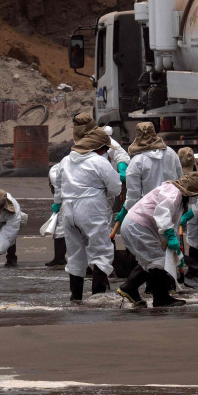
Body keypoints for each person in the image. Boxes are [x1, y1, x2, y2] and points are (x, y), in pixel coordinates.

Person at [117, 171, 198, 308]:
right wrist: (171, 236)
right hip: (138, 226)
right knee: (158, 261)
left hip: (135, 225)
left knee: (149, 262)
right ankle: (160, 298)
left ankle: (129, 288)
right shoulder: (173, 192)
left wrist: (177, 254)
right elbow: (163, 212)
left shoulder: (173, 192)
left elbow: (169, 223)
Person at [56, 127, 123, 301]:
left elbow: (57, 182)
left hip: (68, 209)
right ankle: (98, 297)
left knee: (76, 255)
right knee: (101, 252)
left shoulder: (65, 161)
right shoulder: (99, 162)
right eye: (106, 148)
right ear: (99, 147)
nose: (107, 151)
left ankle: (76, 297)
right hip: (91, 207)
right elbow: (115, 188)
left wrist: (58, 202)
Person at [117, 122, 182, 222]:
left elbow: (133, 195)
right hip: (171, 207)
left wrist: (127, 209)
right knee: (170, 235)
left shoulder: (137, 161)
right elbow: (180, 180)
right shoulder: (171, 153)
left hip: (148, 211)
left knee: (150, 236)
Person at [177, 147, 198, 279]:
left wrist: (191, 213)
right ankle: (193, 270)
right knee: (192, 237)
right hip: (191, 202)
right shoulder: (178, 165)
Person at [45, 161, 68, 267]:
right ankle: (59, 258)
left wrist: (57, 203)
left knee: (59, 230)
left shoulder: (54, 172)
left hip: (67, 202)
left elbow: (58, 189)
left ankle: (60, 258)